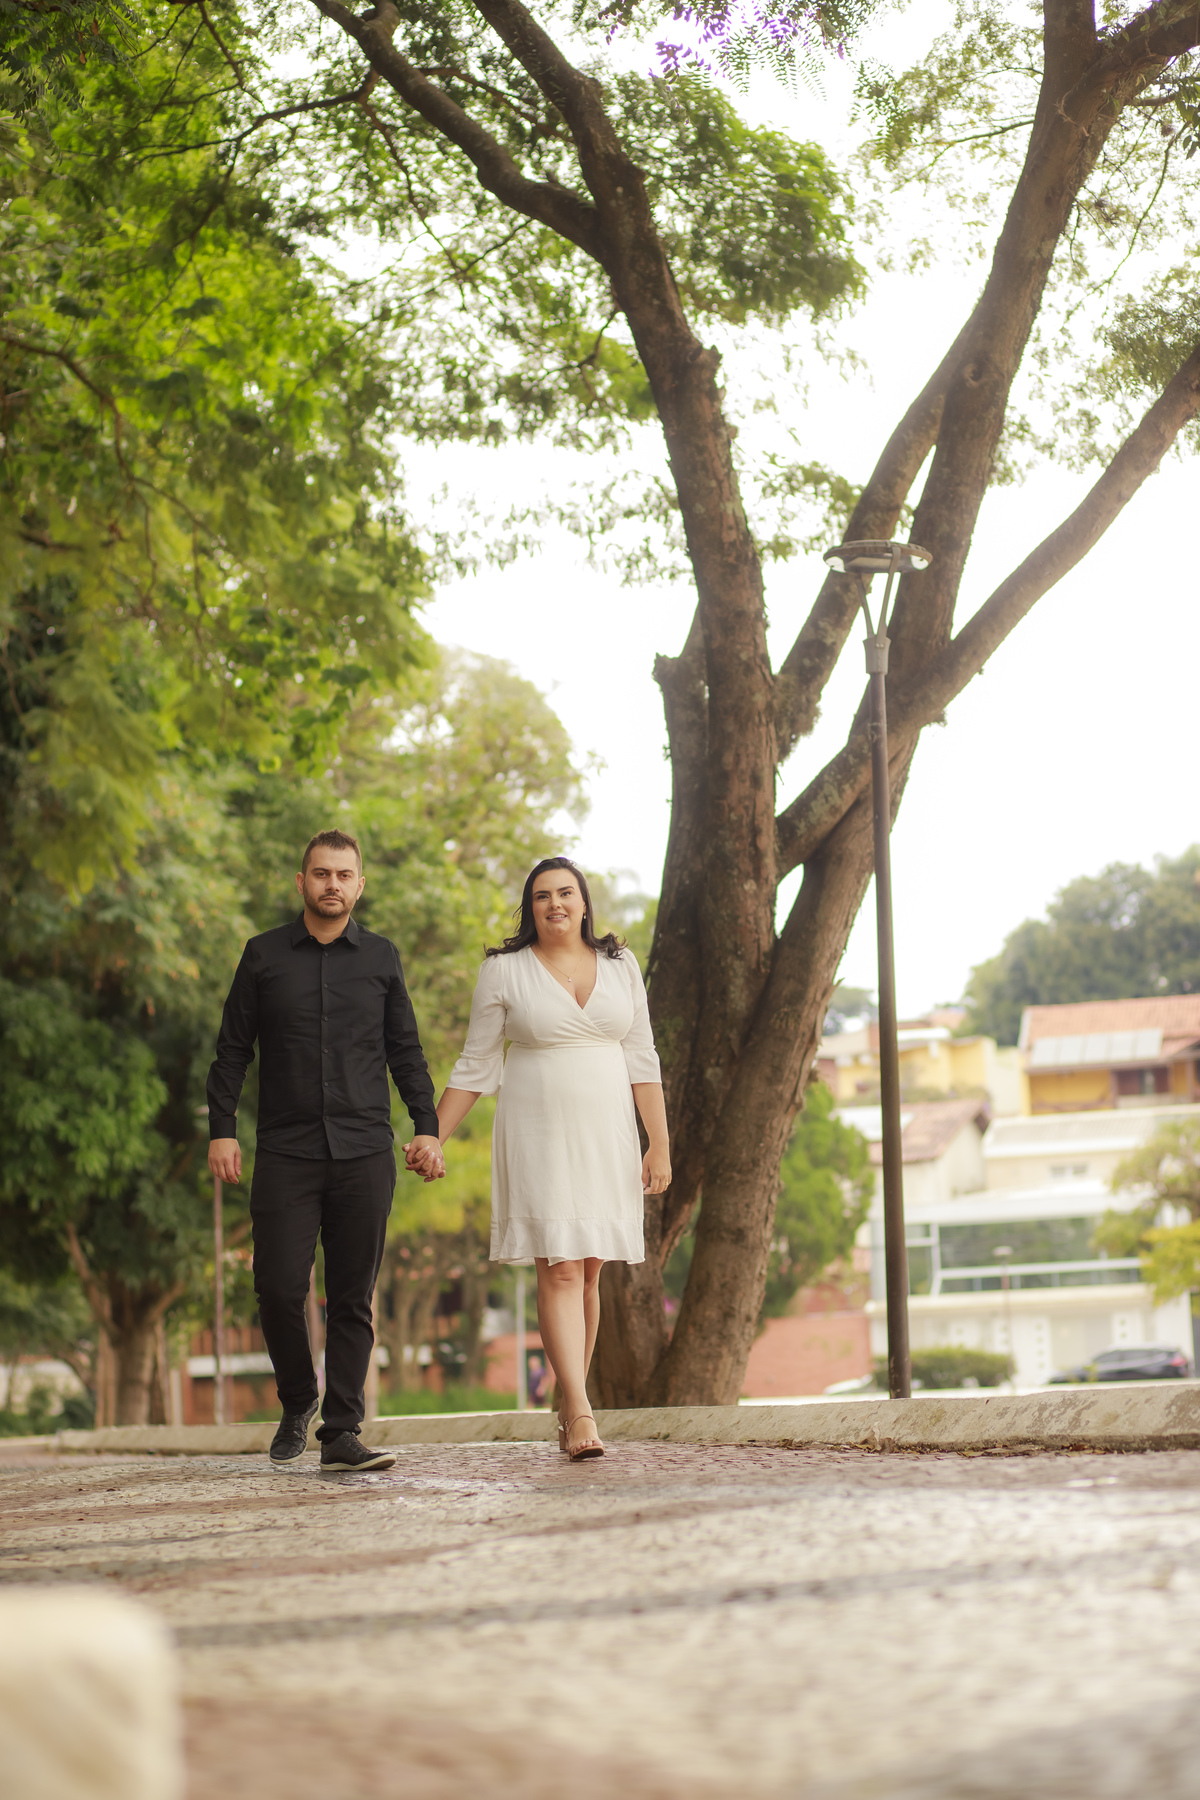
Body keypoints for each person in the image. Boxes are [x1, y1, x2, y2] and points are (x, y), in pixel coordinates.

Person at [411, 856, 670, 1461]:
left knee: (590, 1270)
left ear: (583, 903)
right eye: (542, 896)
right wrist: (433, 1135)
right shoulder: (504, 971)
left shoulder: (621, 964)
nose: (555, 903)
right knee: (559, 1267)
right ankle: (579, 1409)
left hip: (608, 1132)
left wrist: (658, 1141)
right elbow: (477, 1063)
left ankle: (568, 1395)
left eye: (565, 893)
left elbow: (642, 1056)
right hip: (538, 1132)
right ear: (530, 908)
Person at [207, 829, 445, 1472]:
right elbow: (232, 1049)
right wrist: (222, 1127)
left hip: (364, 1149)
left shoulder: (382, 958)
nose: (332, 884)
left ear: (359, 885)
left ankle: (341, 1431)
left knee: (351, 1297)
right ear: (302, 882)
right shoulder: (262, 955)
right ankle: (298, 1400)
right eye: (321, 874)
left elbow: (405, 1050)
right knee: (278, 1287)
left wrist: (426, 1124)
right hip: (285, 1151)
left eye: (343, 875)